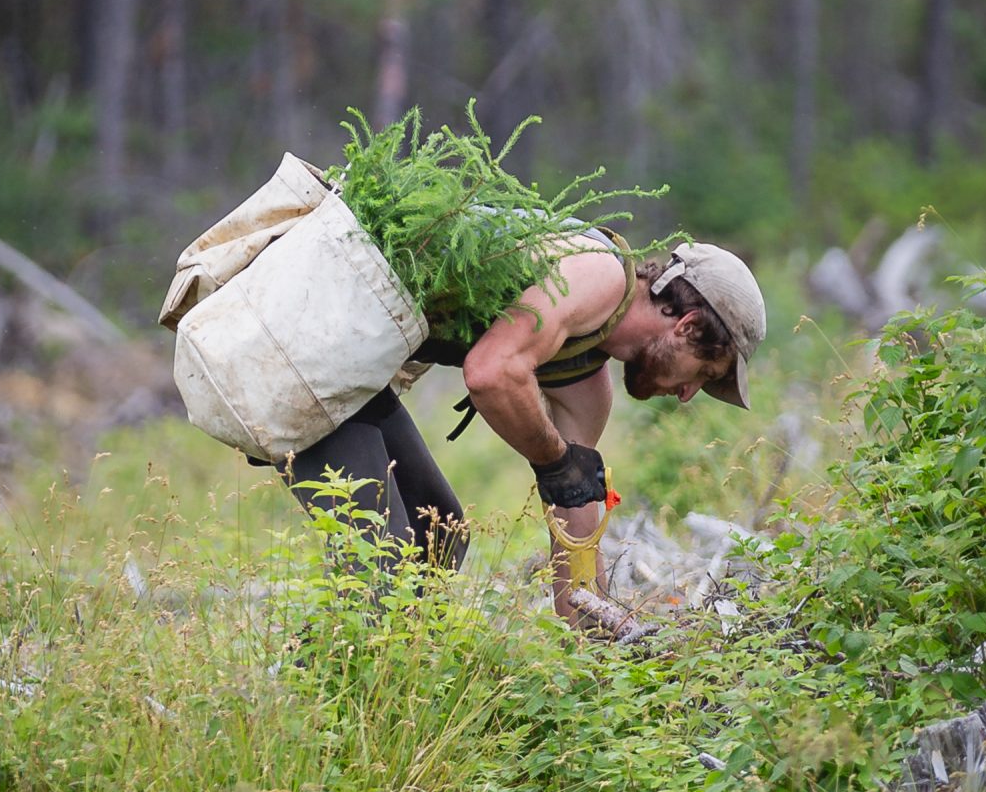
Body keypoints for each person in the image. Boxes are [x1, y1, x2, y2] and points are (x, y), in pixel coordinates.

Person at [276, 233, 767, 624]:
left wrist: (600, 641)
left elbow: (577, 518)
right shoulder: (596, 272)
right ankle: (314, 707)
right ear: (686, 326)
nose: (687, 395)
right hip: (301, 336)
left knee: (435, 535)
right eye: (705, 374)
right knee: (383, 555)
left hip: (348, 363)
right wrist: (554, 460)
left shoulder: (585, 383)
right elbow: (490, 373)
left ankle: (378, 686)